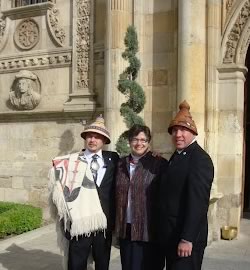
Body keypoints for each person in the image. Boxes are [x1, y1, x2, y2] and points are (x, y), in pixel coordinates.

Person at [48, 115, 119, 270]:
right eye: (90, 136)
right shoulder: (72, 162)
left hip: (103, 224)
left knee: (102, 264)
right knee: (76, 264)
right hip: (79, 222)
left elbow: (133, 163)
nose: (93, 140)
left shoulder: (114, 159)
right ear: (85, 138)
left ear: (104, 141)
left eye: (97, 137)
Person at [158, 100, 214, 270]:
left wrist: (187, 238)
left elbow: (198, 203)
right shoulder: (178, 155)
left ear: (193, 132)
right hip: (171, 235)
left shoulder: (200, 160)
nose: (178, 134)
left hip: (186, 241)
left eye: (183, 130)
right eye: (175, 130)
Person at [115, 124, 167, 270]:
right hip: (126, 228)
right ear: (129, 141)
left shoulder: (158, 164)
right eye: (135, 139)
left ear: (149, 142)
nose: (139, 143)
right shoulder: (120, 164)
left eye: (143, 140)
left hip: (148, 230)